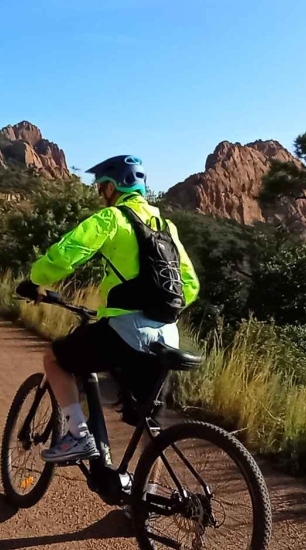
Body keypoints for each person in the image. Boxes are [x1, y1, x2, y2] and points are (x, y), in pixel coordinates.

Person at [16, 154, 199, 464]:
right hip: (167, 334)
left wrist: (36, 280)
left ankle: (78, 435)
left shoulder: (112, 218)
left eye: (101, 186)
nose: (100, 193)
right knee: (147, 425)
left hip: (126, 330)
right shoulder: (167, 226)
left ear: (114, 186)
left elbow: (65, 255)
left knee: (55, 359)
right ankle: (145, 502)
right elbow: (190, 285)